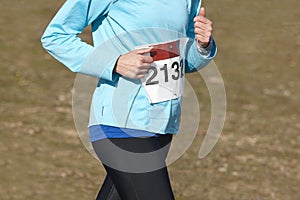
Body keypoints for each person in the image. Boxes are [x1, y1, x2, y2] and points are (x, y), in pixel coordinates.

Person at [41, 0, 217, 199]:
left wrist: (203, 46)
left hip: (163, 127)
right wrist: (115, 62)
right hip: (121, 125)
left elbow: (184, 61)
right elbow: (55, 37)